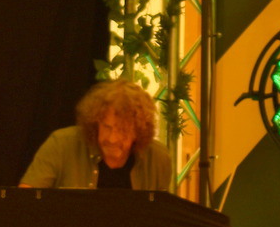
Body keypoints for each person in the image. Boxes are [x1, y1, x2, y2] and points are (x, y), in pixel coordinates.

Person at [20, 79, 173, 191]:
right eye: (106, 127)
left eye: (122, 130)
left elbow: (162, 217)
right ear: (95, 122)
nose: (112, 138)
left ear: (139, 131)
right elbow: (25, 201)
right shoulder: (61, 144)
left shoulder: (158, 158)